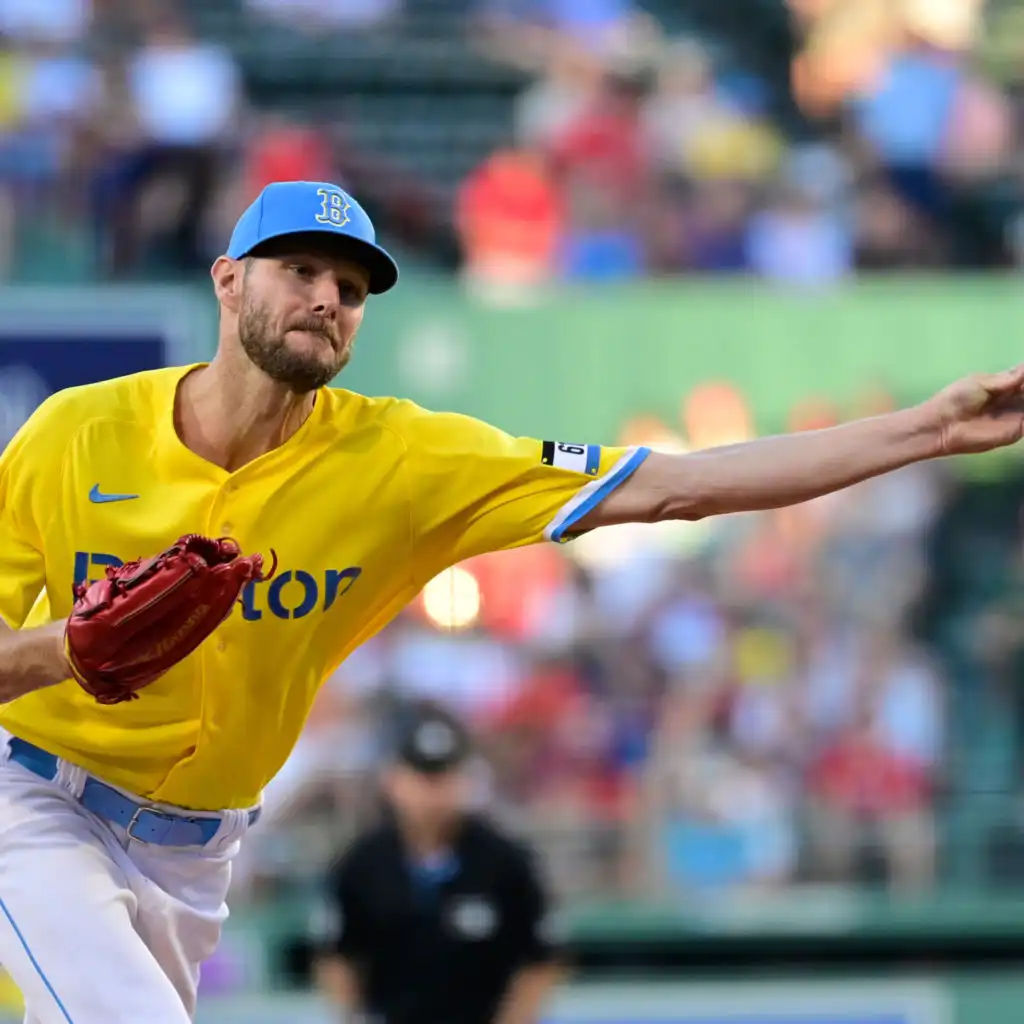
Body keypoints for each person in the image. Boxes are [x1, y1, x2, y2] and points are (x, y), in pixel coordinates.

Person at [0, 177, 1020, 1024]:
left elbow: (679, 484)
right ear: (227, 279)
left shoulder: (402, 458)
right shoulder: (74, 431)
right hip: (38, 800)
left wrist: (924, 430)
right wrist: (71, 649)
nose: (327, 297)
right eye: (300, 269)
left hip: (199, 854)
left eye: (352, 287)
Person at [312, 700, 565, 1024]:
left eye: (445, 776)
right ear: (393, 779)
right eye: (421, 776)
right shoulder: (363, 862)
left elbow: (540, 958)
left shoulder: (505, 861)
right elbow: (336, 952)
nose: (432, 792)